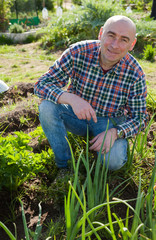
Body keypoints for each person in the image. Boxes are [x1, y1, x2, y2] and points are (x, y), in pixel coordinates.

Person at [34, 15, 148, 171]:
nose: (115, 45)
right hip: (77, 116)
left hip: (109, 123)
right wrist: (71, 99)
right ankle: (64, 166)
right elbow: (41, 85)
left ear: (132, 44)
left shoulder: (135, 73)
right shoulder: (78, 52)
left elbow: (140, 118)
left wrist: (116, 132)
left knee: (113, 163)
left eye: (124, 40)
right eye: (111, 35)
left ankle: (102, 144)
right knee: (47, 107)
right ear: (101, 33)